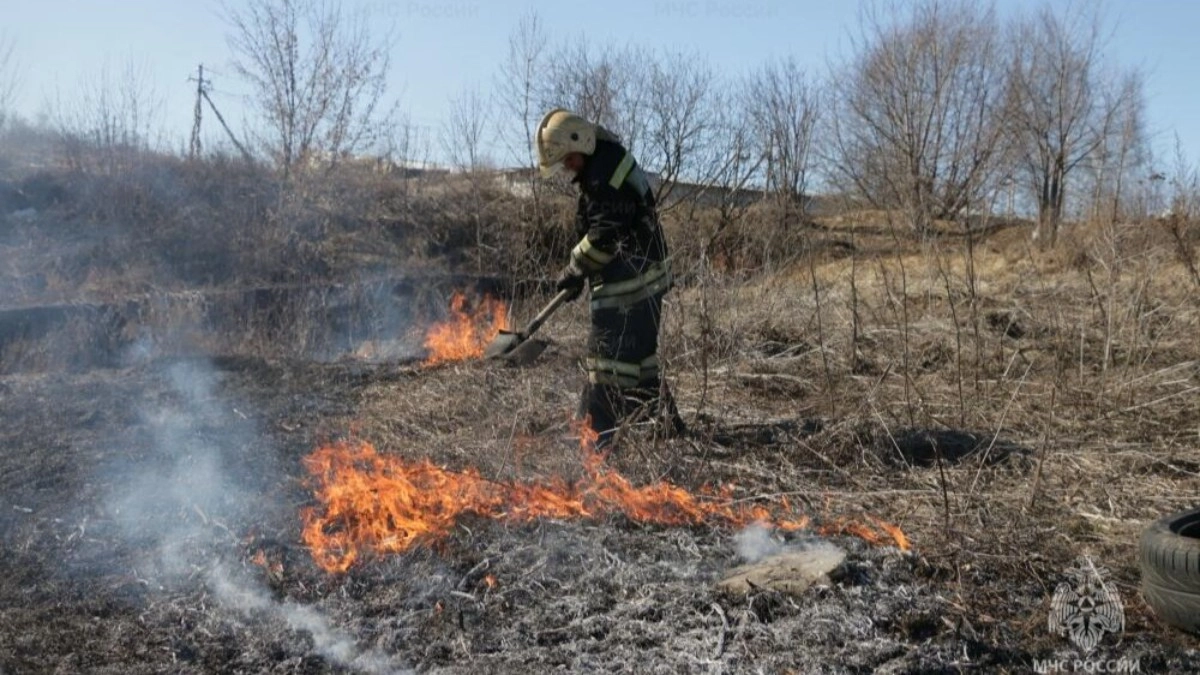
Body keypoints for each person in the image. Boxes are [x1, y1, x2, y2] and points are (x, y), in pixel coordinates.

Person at [535, 108, 684, 449]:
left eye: (568, 159)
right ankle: (669, 431)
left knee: (603, 359)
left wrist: (575, 268)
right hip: (641, 277)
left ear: (580, 142)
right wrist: (580, 273)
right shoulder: (602, 162)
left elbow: (605, 232)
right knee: (640, 362)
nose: (567, 167)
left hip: (631, 283)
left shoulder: (603, 171)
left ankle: (595, 443)